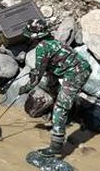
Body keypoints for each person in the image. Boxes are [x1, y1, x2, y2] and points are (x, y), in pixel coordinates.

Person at [19, 19, 91, 160]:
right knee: (52, 84)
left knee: (60, 108)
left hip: (76, 73)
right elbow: (46, 67)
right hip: (76, 68)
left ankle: (56, 147)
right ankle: (70, 112)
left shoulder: (42, 48)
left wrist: (25, 88)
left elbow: (36, 79)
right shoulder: (51, 41)